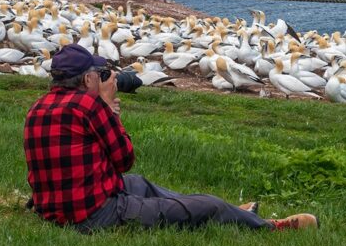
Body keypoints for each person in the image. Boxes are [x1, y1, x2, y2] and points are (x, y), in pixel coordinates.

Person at [23, 44, 318, 233]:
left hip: (56, 210)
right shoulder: (88, 105)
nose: (103, 79)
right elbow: (124, 159)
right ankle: (268, 227)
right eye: (98, 74)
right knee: (205, 207)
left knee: (140, 184)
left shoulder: (37, 107)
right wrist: (110, 110)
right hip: (94, 215)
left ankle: (234, 213)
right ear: (88, 79)